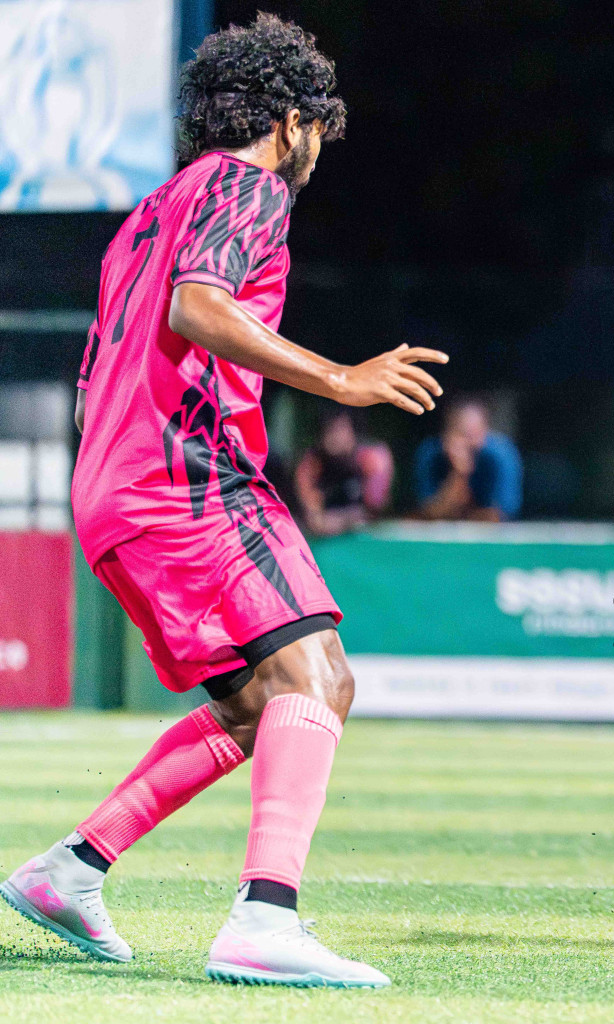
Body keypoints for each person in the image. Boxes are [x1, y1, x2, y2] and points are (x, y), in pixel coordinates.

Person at [3, 15, 448, 988]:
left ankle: (68, 870)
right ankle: (265, 918)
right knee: (319, 677)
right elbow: (197, 307)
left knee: (260, 704)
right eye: (318, 131)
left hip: (117, 485)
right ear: (291, 122)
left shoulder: (156, 205)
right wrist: (339, 379)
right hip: (184, 476)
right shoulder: (250, 184)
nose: (316, 151)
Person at [414, 399, 522, 522]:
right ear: (446, 434)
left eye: (473, 435)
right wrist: (459, 474)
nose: (466, 444)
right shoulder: (431, 454)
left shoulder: (501, 455)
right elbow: (430, 513)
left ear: (485, 432)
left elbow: (500, 516)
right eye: (460, 434)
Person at [293, 408, 395, 537]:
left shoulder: (372, 457)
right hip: (322, 539)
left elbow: (375, 508)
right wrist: (320, 519)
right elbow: (313, 515)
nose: (334, 436)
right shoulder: (312, 462)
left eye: (339, 429)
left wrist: (343, 520)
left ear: (353, 431)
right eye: (329, 430)